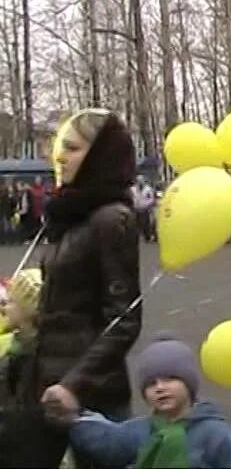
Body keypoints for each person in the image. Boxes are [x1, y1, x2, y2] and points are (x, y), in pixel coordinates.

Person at [17, 109, 142, 468]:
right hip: (45, 385)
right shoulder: (69, 216)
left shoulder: (111, 219)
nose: (59, 156)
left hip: (91, 396)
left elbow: (125, 320)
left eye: (72, 148)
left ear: (100, 155)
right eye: (60, 147)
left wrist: (75, 385)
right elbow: (64, 307)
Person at [68, 333, 231, 468]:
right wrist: (73, 418)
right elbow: (108, 441)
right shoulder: (140, 430)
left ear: (188, 383)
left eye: (169, 379)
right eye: (151, 383)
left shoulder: (214, 433)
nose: (160, 387)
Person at [0, 269, 46, 466]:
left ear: (26, 311)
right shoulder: (19, 344)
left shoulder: (25, 353)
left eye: (11, 302)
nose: (5, 308)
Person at [131, 175, 155, 242]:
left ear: (143, 181)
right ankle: (135, 238)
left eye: (141, 180)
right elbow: (130, 198)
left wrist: (146, 205)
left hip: (144, 209)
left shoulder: (148, 189)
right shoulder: (133, 189)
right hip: (135, 209)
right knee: (134, 225)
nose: (140, 182)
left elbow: (151, 199)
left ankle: (147, 237)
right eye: (138, 180)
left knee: (145, 224)